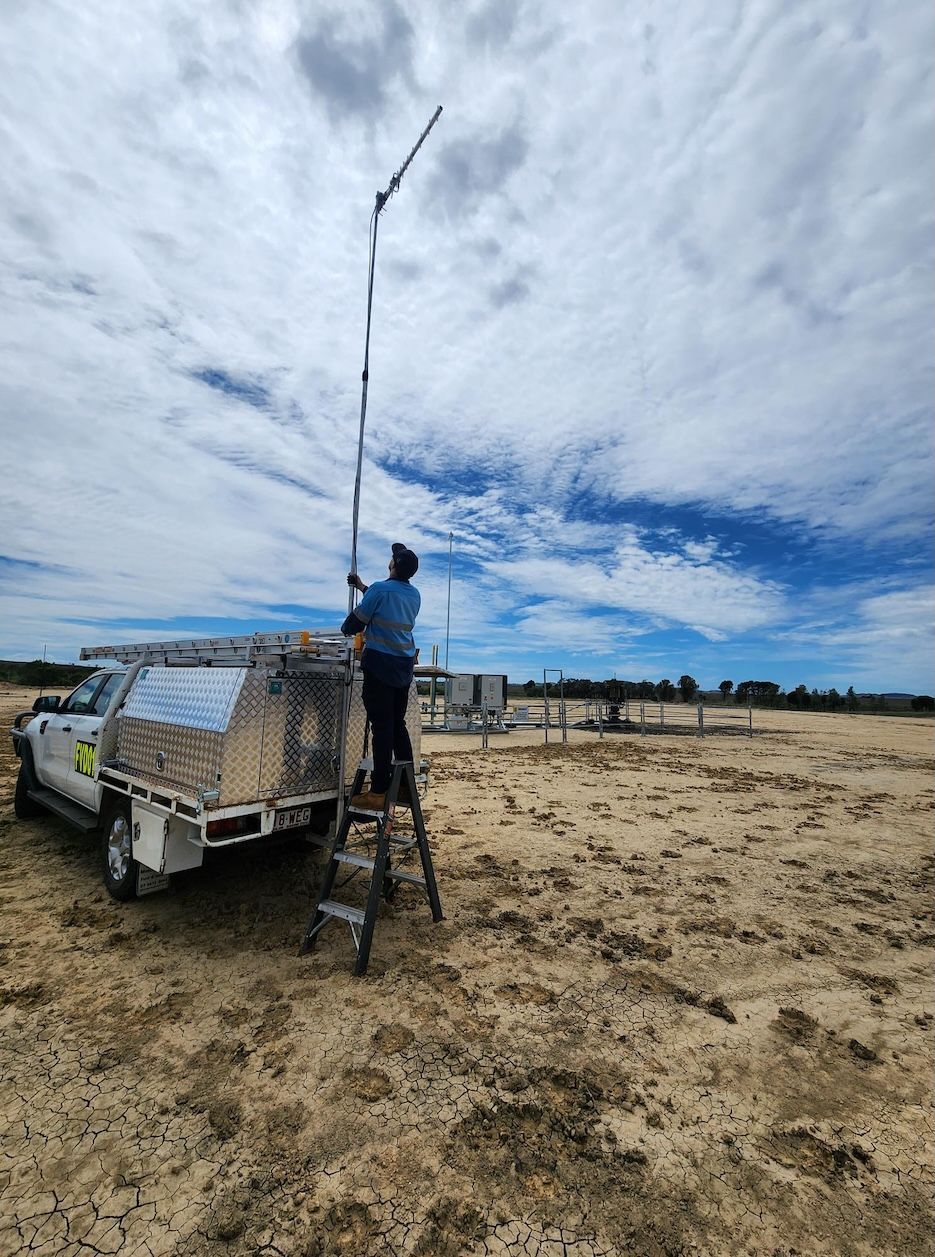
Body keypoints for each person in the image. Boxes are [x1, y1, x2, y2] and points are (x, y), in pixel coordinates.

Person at [341, 542, 421, 809]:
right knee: (397, 725)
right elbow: (385, 600)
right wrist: (362, 586)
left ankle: (377, 792)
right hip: (403, 668)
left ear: (393, 565)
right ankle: (406, 787)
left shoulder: (379, 590)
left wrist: (348, 626)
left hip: (380, 668)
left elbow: (354, 623)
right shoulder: (414, 595)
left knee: (382, 729)